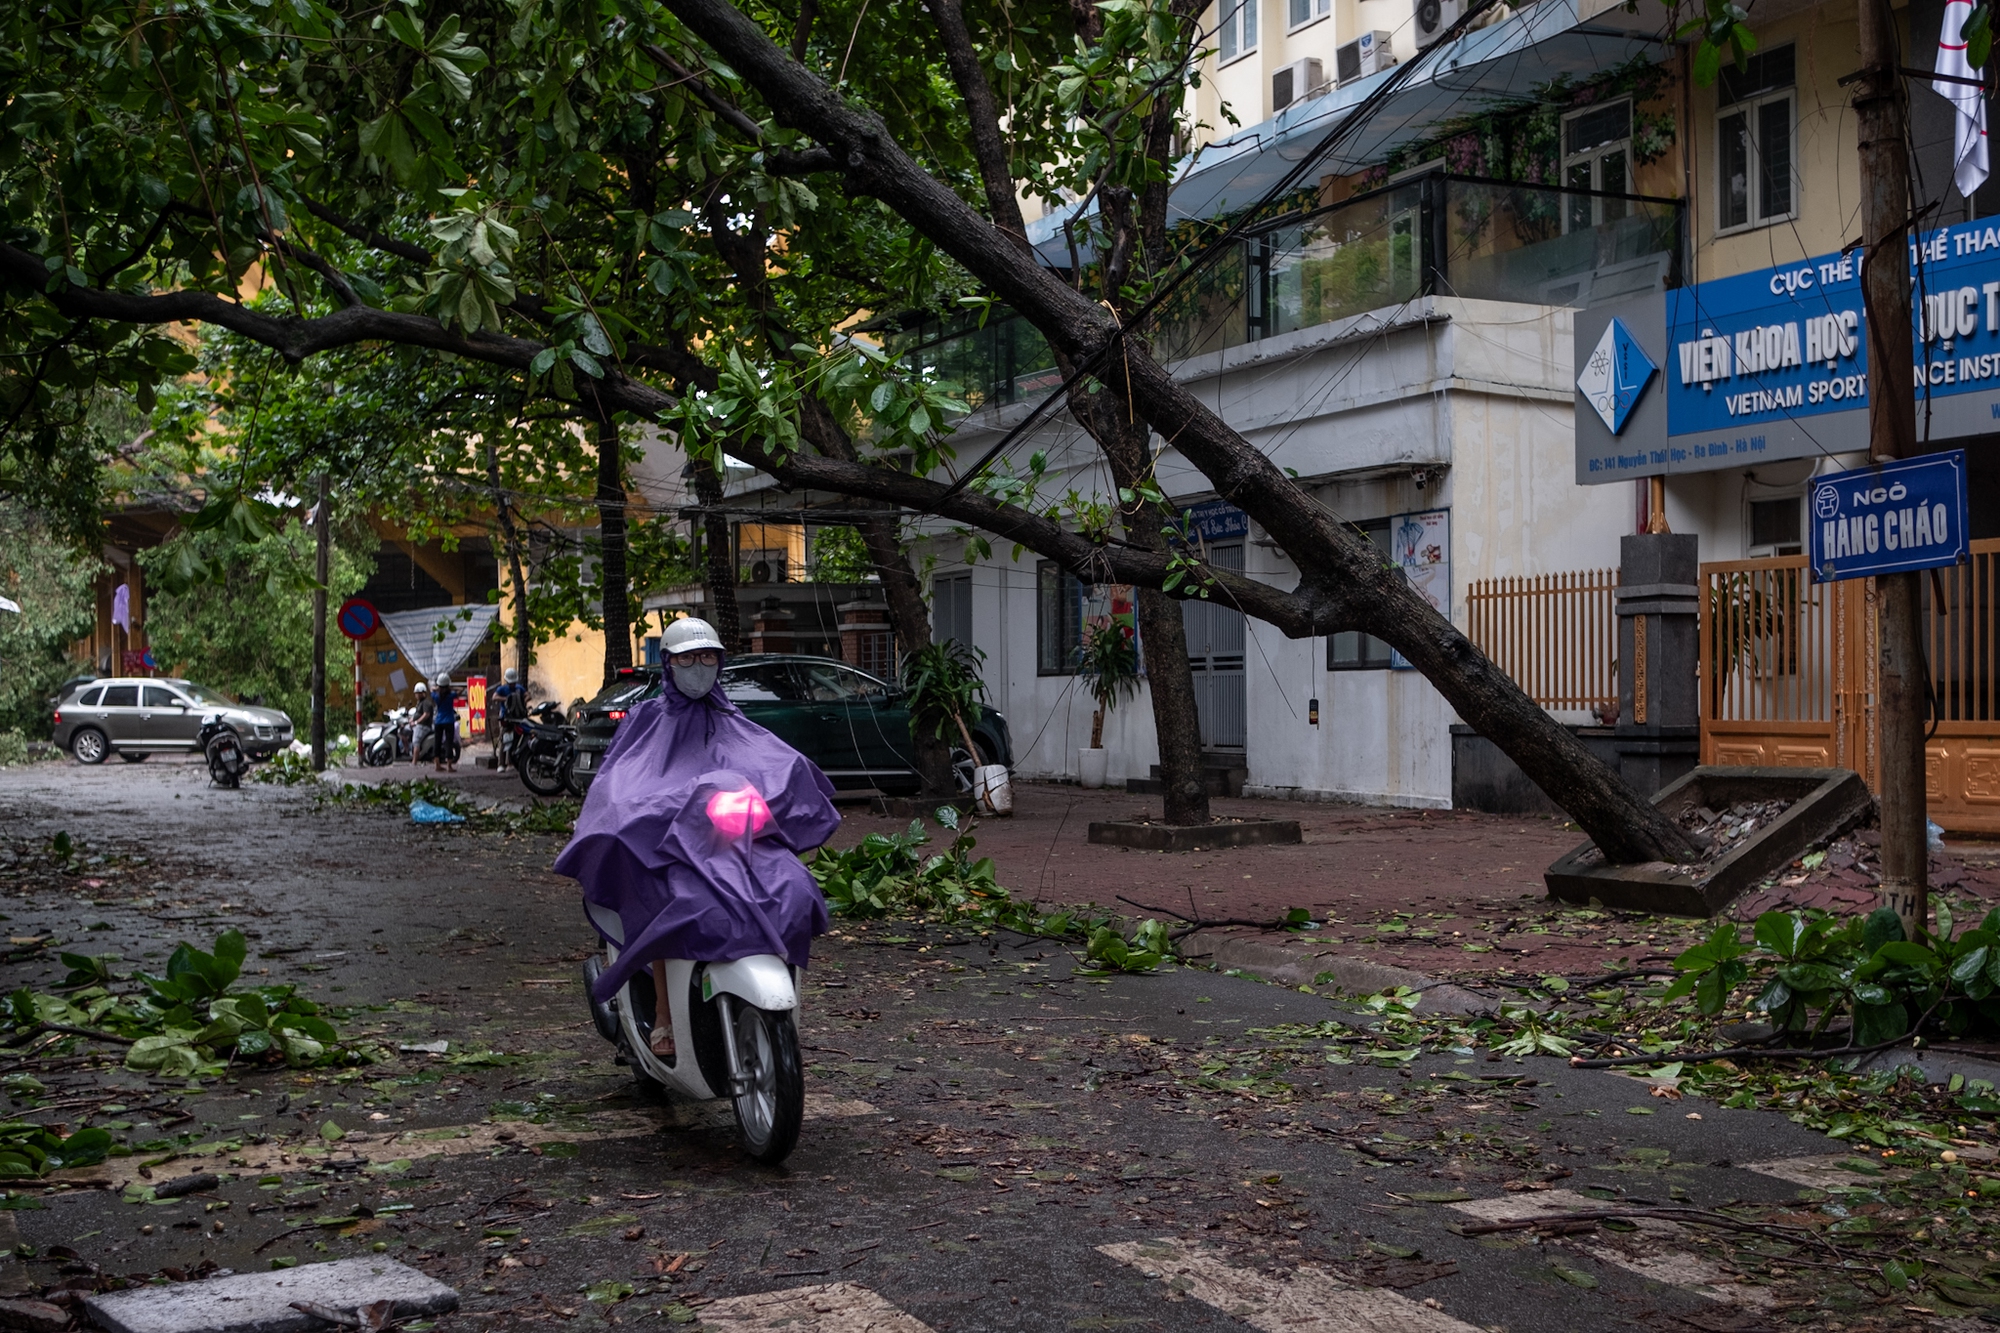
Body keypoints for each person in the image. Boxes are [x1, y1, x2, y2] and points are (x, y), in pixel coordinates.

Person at [554, 617, 839, 1063]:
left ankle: (770, 999)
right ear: (668, 664)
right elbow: (619, 781)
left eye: (708, 657)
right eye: (688, 658)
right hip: (670, 844)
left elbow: (770, 760)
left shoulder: (732, 718)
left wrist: (791, 785)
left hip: (736, 843)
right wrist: (637, 813)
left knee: (794, 887)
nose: (699, 666)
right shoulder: (646, 720)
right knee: (671, 902)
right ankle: (664, 1016)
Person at [489, 667, 528, 770]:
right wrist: (507, 699)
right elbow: (494, 697)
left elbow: (527, 695)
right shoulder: (502, 689)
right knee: (504, 740)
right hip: (505, 717)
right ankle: (501, 764)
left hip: (517, 717)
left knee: (515, 740)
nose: (512, 684)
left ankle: (510, 762)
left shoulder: (519, 688)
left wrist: (522, 700)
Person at [432, 674, 459, 773]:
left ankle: (437, 765)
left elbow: (432, 689)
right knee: (449, 743)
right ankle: (449, 766)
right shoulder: (451, 695)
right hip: (449, 721)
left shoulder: (435, 696)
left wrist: (438, 688)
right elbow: (460, 690)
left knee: (437, 743)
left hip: (438, 721)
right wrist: (450, 688)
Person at [407, 680, 431, 766]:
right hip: (417, 724)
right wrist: (411, 720)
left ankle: (414, 762)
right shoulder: (419, 703)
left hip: (423, 726)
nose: (416, 695)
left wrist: (416, 722)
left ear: (422, 693)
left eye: (417, 693)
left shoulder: (426, 703)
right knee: (403, 731)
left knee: (416, 741)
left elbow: (426, 715)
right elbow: (417, 714)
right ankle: (407, 752)